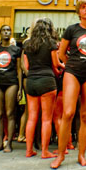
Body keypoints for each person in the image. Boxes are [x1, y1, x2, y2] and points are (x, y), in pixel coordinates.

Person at [50, 0, 86, 169]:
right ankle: (60, 155)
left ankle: (81, 155)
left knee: (85, 116)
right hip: (72, 72)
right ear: (79, 12)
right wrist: (72, 65)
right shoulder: (71, 29)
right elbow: (61, 53)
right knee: (68, 113)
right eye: (83, 7)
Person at [22, 18, 64, 158]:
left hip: (31, 82)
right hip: (47, 81)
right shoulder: (51, 43)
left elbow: (26, 67)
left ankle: (29, 151)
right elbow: (56, 63)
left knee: (31, 118)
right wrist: (65, 67)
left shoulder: (27, 43)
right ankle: (45, 151)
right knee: (46, 119)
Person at [0, 25, 22, 152]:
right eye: (4, 30)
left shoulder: (16, 50)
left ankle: (9, 144)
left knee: (10, 113)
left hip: (11, 82)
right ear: (0, 33)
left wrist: (20, 88)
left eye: (9, 30)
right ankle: (0, 143)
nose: (6, 32)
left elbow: (19, 69)